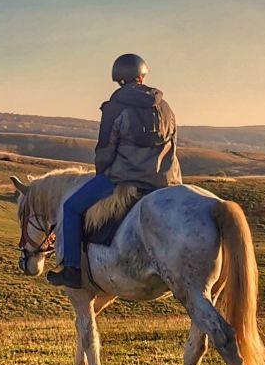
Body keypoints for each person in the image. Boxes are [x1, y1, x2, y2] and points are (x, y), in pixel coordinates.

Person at [48, 54, 181, 289]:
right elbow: (173, 146)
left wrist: (102, 174)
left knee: (71, 208)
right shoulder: (165, 107)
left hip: (123, 180)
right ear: (142, 76)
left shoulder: (116, 108)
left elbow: (105, 150)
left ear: (119, 79)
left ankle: (71, 269)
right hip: (164, 182)